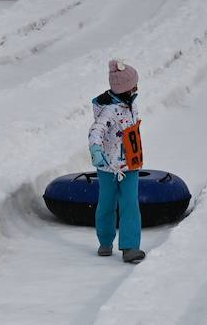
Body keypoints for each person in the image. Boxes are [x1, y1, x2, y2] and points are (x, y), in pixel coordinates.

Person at [88, 59, 146, 263]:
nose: (137, 88)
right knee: (106, 204)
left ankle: (130, 247)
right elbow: (96, 130)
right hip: (108, 167)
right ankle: (105, 241)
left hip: (130, 165)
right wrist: (95, 149)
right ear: (125, 89)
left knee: (130, 205)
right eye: (134, 85)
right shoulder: (109, 110)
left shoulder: (132, 105)